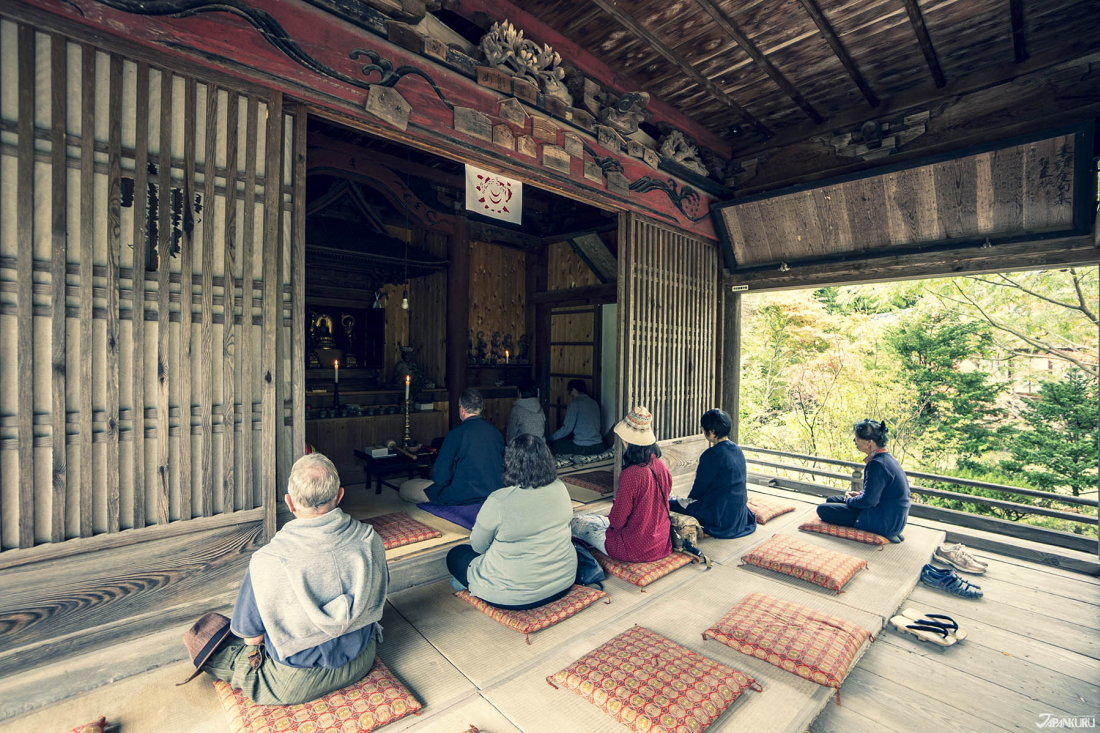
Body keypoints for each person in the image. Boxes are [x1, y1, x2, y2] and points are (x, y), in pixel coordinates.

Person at [197, 453, 388, 705]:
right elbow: (378, 597)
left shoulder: (268, 560)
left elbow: (251, 637)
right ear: (340, 495)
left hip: (294, 680)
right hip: (361, 658)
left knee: (205, 643)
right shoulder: (370, 538)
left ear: (289, 502)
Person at [446, 434, 577, 609]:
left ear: (511, 463)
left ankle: (473, 584)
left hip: (513, 595)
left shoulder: (500, 500)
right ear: (547, 459)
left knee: (456, 555)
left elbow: (478, 546)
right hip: (563, 581)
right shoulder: (560, 488)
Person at [570, 406, 672, 562]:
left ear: (628, 440)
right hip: (660, 544)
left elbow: (617, 522)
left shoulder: (632, 474)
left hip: (633, 548)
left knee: (578, 524)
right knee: (596, 519)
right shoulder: (662, 466)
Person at [399, 388, 505, 506]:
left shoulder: (455, 434)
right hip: (494, 492)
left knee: (405, 487)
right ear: (480, 408)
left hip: (463, 494)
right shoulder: (496, 432)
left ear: (462, 408)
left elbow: (441, 478)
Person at [817, 419, 911, 542]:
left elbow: (869, 501)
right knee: (832, 500)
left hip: (882, 522)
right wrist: (859, 495)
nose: (854, 441)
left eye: (857, 438)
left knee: (823, 509)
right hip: (892, 518)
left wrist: (850, 500)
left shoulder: (876, 465)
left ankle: (866, 524)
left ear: (869, 442)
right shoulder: (886, 459)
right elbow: (876, 493)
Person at [670, 408, 756, 540]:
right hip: (739, 512)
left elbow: (699, 487)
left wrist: (688, 502)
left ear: (712, 432)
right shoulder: (737, 449)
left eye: (704, 429)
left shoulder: (712, 454)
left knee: (672, 504)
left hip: (720, 513)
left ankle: (706, 528)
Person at [547, 379, 605, 456]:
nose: (570, 395)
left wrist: (549, 437)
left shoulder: (574, 404)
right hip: (598, 445)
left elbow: (566, 430)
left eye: (569, 392)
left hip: (583, 447)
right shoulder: (594, 403)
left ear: (574, 390)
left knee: (554, 445)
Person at [506, 377, 546, 443]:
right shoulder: (540, 409)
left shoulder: (516, 410)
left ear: (520, 392)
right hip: (540, 448)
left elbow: (511, 437)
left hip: (523, 450)